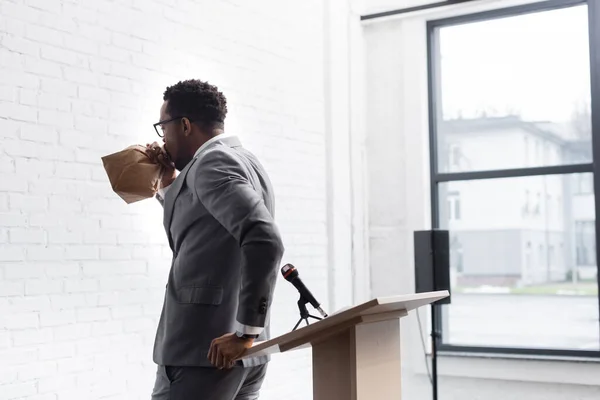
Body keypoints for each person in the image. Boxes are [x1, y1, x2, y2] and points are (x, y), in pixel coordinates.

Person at [145, 79, 285, 400]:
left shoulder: (212, 163)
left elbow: (264, 239)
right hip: (238, 353)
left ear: (184, 125)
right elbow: (207, 223)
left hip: (205, 351)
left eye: (163, 127)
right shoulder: (245, 159)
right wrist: (167, 183)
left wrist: (245, 330)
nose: (162, 138)